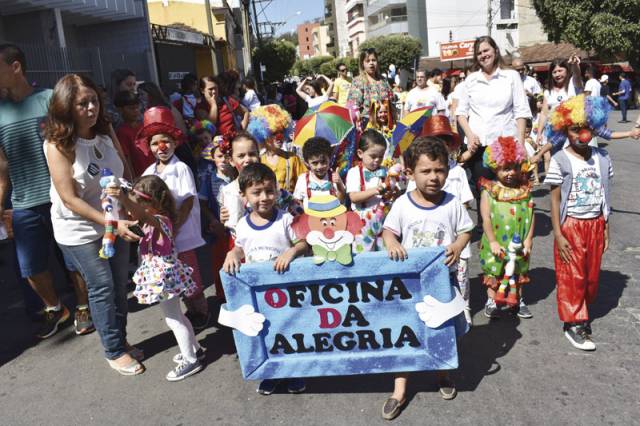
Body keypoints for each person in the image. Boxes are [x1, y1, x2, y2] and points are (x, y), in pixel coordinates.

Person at [44, 73, 144, 374]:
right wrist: (112, 222)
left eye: (94, 101)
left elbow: (124, 169)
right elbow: (69, 199)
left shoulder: (104, 131)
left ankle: (121, 341)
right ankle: (113, 350)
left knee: (118, 287)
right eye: (82, 104)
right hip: (79, 230)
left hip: (114, 221)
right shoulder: (57, 145)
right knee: (102, 286)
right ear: (65, 107)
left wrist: (132, 205)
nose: (91, 109)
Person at [0, 44, 92, 338]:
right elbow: (2, 165)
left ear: (15, 67)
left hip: (61, 198)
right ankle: (56, 307)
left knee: (73, 260)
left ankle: (82, 307)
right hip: (24, 203)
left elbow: (77, 142)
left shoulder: (50, 100)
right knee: (30, 269)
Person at [381, 137, 473, 420]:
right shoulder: (402, 204)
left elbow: (466, 230)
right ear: (410, 173)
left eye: (440, 170)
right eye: (426, 171)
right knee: (405, 334)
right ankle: (399, 389)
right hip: (409, 285)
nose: (434, 177)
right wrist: (391, 243)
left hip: (443, 282)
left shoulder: (452, 203)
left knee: (440, 331)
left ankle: (442, 374)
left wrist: (457, 246)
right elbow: (388, 231)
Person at [222, 163, 308, 394]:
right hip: (259, 296)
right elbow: (241, 248)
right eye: (256, 192)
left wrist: (291, 252)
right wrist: (232, 254)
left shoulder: (285, 220)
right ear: (244, 196)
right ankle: (272, 373)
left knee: (290, 331)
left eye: (269, 191)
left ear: (278, 191)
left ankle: (295, 372)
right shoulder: (242, 225)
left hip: (287, 292)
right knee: (266, 334)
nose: (264, 197)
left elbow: (303, 242)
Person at [113, 175, 204, 380]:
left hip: (165, 277)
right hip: (164, 275)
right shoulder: (152, 218)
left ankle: (191, 361)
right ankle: (195, 349)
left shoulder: (160, 220)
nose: (131, 210)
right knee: (178, 316)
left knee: (173, 320)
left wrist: (123, 197)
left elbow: (142, 217)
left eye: (137, 205)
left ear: (151, 204)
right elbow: (136, 218)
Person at [544, 95, 613, 351]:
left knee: (591, 277)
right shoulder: (560, 159)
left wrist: (606, 226)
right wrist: (558, 233)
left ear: (593, 128)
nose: (581, 135)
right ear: (564, 129)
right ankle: (575, 322)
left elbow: (606, 195)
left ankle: (582, 309)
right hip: (571, 225)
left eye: (586, 128)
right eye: (575, 129)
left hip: (595, 224)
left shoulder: (603, 158)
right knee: (572, 276)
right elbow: (554, 200)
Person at [140, 107, 210, 331]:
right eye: (155, 143)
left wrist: (175, 227)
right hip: (162, 240)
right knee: (172, 276)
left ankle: (201, 311)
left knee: (190, 274)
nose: (161, 147)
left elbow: (188, 200)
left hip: (181, 234)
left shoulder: (181, 168)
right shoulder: (150, 171)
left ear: (175, 142)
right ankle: (186, 312)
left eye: (166, 141)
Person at [406, 116, 474, 324]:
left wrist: (457, 234)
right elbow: (410, 203)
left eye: (444, 140)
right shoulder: (417, 178)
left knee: (460, 278)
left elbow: (465, 203)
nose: (440, 145)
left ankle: (463, 308)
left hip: (453, 234)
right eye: (435, 140)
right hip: (427, 238)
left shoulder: (458, 172)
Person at [456, 36, 531, 200]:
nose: (483, 55)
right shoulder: (471, 80)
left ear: (495, 51)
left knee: (507, 194)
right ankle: (484, 226)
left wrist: (521, 144)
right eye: (479, 53)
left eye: (486, 50)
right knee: (484, 195)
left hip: (505, 147)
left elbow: (521, 111)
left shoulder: (511, 76)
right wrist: (469, 134)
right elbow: (461, 113)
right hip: (479, 147)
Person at [479, 137, 535, 319]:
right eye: (505, 168)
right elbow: (485, 217)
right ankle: (492, 300)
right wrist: (493, 241)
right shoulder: (489, 191)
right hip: (495, 239)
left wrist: (528, 239)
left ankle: (518, 299)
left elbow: (531, 215)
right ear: (495, 167)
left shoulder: (525, 190)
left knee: (519, 268)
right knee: (494, 269)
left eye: (514, 167)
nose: (510, 173)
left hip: (518, 239)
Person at [196, 124, 235, 300]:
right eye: (219, 156)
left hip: (237, 227)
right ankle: (223, 294)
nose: (224, 159)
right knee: (220, 261)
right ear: (212, 158)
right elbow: (203, 204)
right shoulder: (209, 179)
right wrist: (213, 220)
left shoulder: (238, 178)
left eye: (227, 155)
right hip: (218, 229)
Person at [346, 129, 389, 252]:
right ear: (360, 153)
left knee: (384, 252)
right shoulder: (354, 172)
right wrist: (374, 190)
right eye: (373, 156)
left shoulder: (384, 171)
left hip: (383, 218)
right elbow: (353, 197)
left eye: (380, 157)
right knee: (363, 253)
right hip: (362, 221)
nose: (377, 160)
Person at [535, 56, 583, 147]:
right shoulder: (548, 92)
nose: (557, 74)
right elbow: (544, 113)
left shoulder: (573, 84)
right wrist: (539, 133)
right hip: (552, 133)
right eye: (554, 72)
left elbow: (577, 75)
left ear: (567, 71)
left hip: (572, 131)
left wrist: (575, 65)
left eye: (560, 71)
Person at [219, 132, 261, 233]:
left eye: (252, 154)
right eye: (241, 156)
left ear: (258, 156)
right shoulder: (228, 191)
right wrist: (223, 219)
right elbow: (229, 225)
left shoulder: (269, 185)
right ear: (231, 161)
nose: (248, 159)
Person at [347, 48, 393, 127]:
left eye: (373, 60)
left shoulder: (383, 80)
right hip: (367, 125)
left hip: (385, 124)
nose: (371, 63)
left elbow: (391, 100)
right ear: (362, 64)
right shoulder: (358, 81)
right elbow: (353, 107)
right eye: (368, 61)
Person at [293, 136, 346, 206]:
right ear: (307, 163)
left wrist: (339, 185)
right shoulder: (302, 179)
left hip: (331, 215)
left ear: (330, 159)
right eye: (315, 163)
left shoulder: (334, 177)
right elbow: (298, 200)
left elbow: (340, 200)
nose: (319, 167)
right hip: (310, 215)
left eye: (323, 162)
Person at [113, 90, 142, 176]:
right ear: (120, 110)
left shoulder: (145, 127)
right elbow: (126, 159)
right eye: (131, 108)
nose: (136, 111)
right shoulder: (122, 132)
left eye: (137, 107)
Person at [215, 70, 249, 137]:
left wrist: (242, 130)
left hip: (234, 139)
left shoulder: (228, 99)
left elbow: (245, 112)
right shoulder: (203, 105)